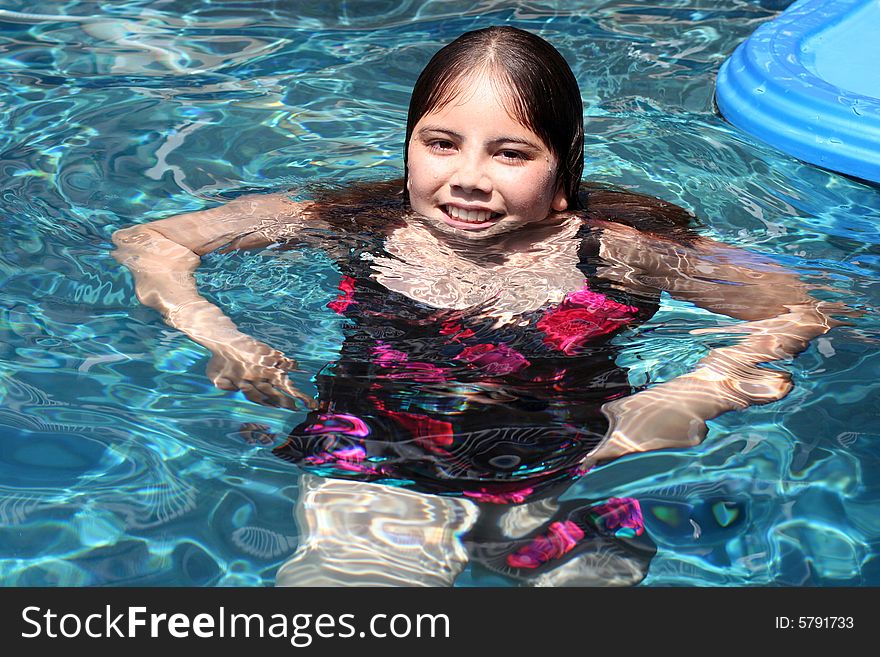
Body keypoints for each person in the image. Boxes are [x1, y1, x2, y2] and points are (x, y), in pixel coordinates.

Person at [112, 26, 846, 585]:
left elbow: (795, 310)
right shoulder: (350, 221)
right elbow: (153, 240)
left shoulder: (617, 248)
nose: (468, 177)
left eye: (511, 153)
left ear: (563, 172)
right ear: (407, 150)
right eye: (441, 143)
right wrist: (222, 337)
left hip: (573, 470)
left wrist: (692, 394)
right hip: (376, 461)